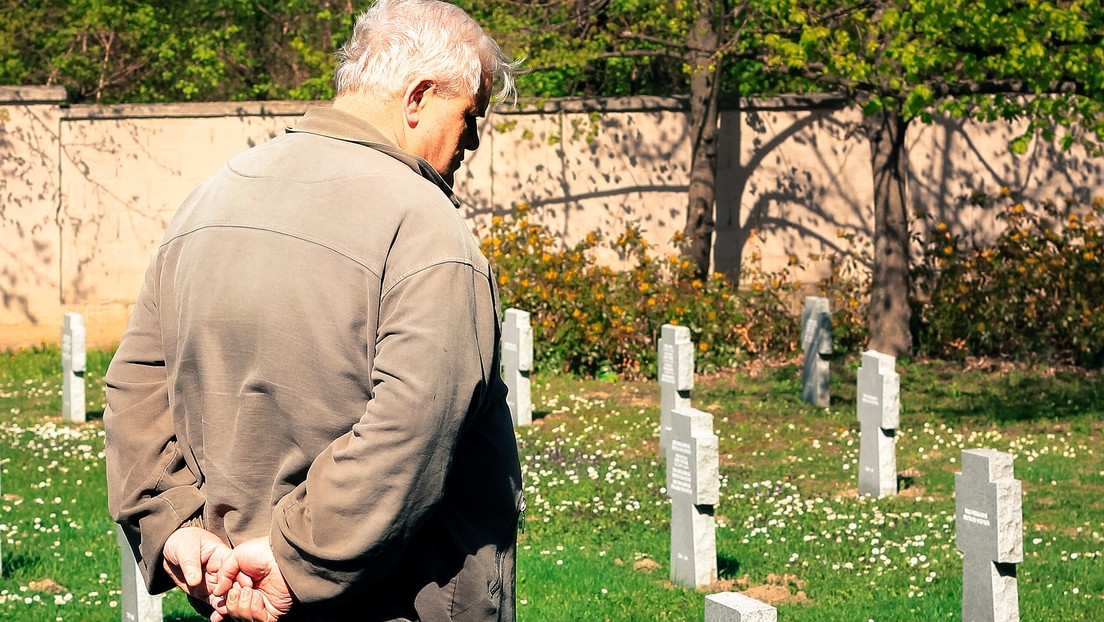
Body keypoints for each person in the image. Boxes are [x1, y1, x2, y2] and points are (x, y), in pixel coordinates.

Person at [104, 1, 524, 620]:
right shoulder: (427, 228)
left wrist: (173, 525)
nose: (474, 141)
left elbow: (136, 384)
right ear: (419, 98)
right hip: (399, 596)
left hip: (230, 587)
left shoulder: (211, 196)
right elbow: (409, 429)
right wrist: (294, 560)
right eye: (470, 116)